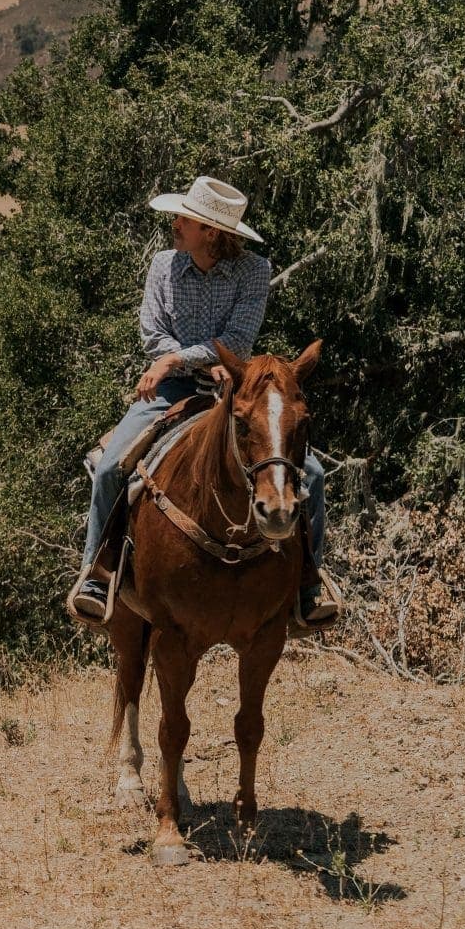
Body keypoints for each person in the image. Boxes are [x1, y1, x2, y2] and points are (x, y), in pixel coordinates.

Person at [69, 175, 332, 628]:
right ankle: (97, 573)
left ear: (210, 231)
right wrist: (177, 361)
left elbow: (238, 338)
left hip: (234, 388)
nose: (175, 224)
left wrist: (182, 357)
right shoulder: (164, 265)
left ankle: (309, 581)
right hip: (170, 389)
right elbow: (153, 334)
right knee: (112, 465)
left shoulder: (254, 271)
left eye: (184, 219)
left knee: (311, 473)